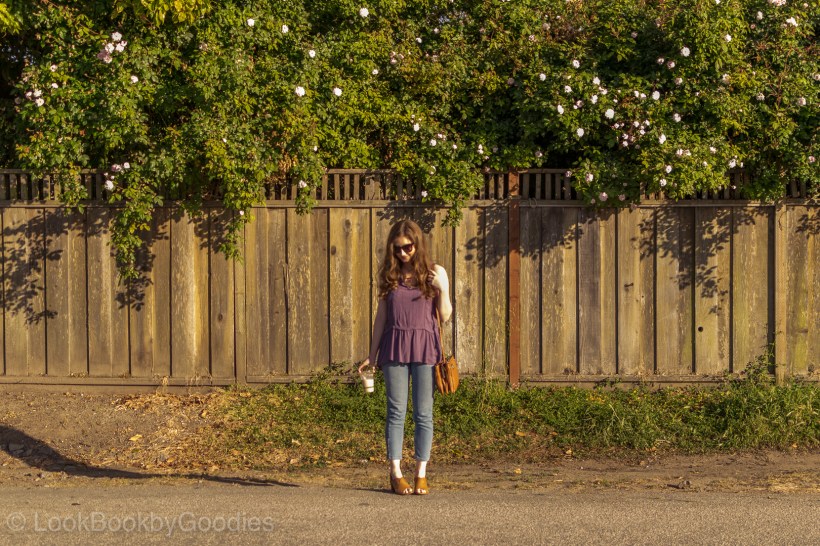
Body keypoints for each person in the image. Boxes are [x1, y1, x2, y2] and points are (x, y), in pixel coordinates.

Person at [358, 219, 452, 495]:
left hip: (425, 346)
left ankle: (422, 472)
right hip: (395, 346)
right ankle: (396, 472)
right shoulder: (390, 276)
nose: (402, 254)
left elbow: (445, 316)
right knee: (396, 411)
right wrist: (371, 355)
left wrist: (443, 289)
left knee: (424, 413)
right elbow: (381, 319)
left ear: (417, 245)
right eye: (397, 249)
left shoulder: (435, 272)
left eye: (407, 248)